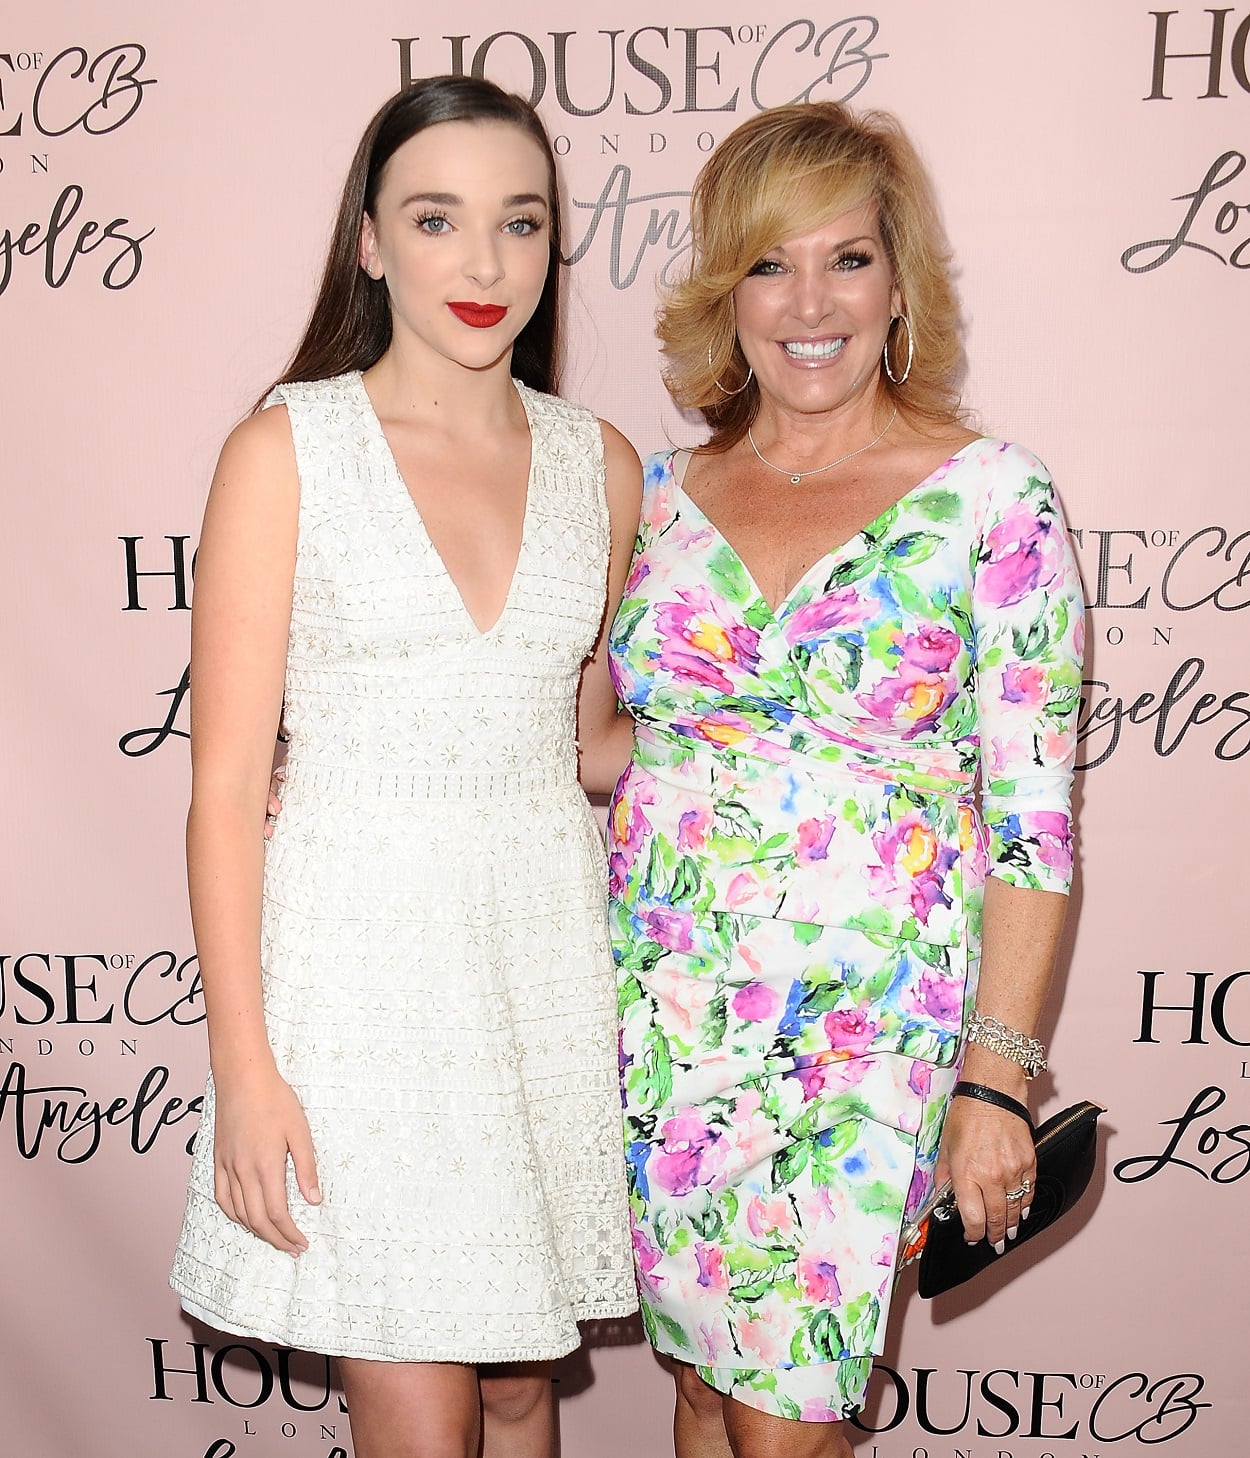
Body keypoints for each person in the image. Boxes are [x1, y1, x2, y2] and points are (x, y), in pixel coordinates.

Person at [593, 102, 1085, 1457]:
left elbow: (1032, 825)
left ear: (897, 283)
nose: (809, 304)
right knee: (704, 1392)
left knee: (786, 1420)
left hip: (867, 1031)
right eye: (768, 264)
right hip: (661, 1013)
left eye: (847, 259)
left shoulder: (992, 499)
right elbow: (591, 743)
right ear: (724, 292)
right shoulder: (650, 495)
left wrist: (996, 1080)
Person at [169, 76, 641, 1458]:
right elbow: (224, 792)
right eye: (436, 220)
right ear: (369, 242)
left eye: (519, 222)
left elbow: (589, 742)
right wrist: (245, 1069)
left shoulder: (602, 466)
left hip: (538, 962)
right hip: (357, 981)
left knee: (517, 1388)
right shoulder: (285, 451)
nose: (482, 264)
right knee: (420, 1404)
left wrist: (779, 736)